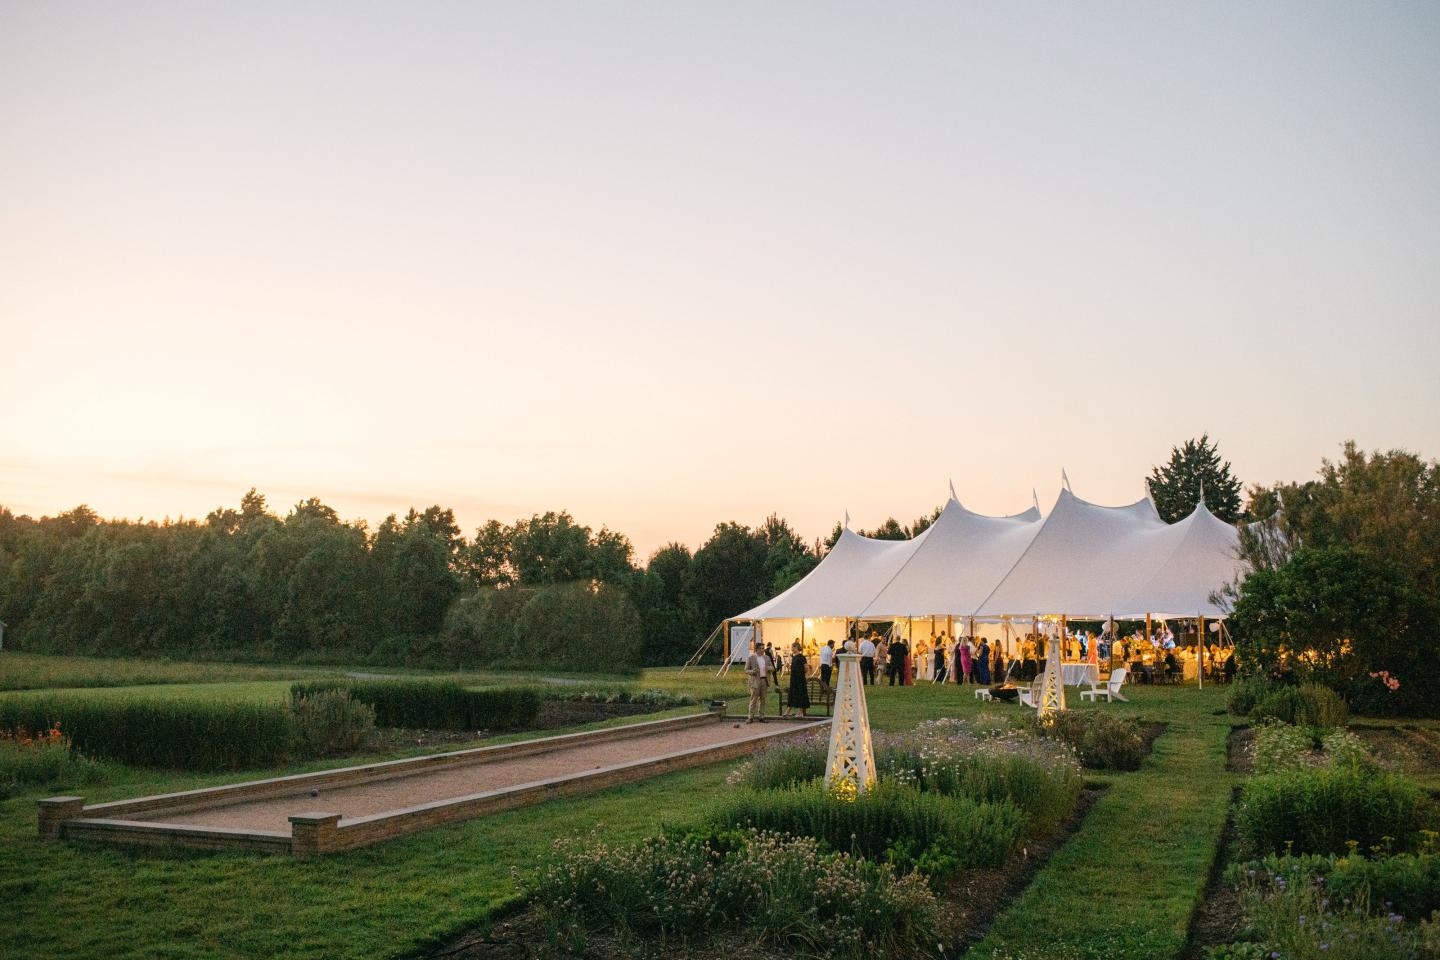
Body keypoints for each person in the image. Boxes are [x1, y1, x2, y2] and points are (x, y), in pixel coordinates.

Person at [744, 640, 768, 723]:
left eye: (763, 648)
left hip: (764, 680)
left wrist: (769, 668)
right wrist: (752, 671)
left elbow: (772, 668)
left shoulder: (766, 657)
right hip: (755, 681)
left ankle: (761, 716)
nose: (763, 650)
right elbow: (746, 670)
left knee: (763, 699)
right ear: (757, 649)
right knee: (753, 699)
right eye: (761, 648)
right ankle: (750, 717)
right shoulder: (751, 658)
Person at [785, 641, 811, 718]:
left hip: (800, 678)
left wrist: (801, 673)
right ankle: (789, 710)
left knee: (800, 694)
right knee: (792, 693)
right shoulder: (794, 657)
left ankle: (800, 712)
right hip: (793, 678)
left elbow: (806, 668)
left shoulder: (801, 657)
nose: (791, 649)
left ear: (796, 647)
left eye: (792, 647)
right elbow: (794, 667)